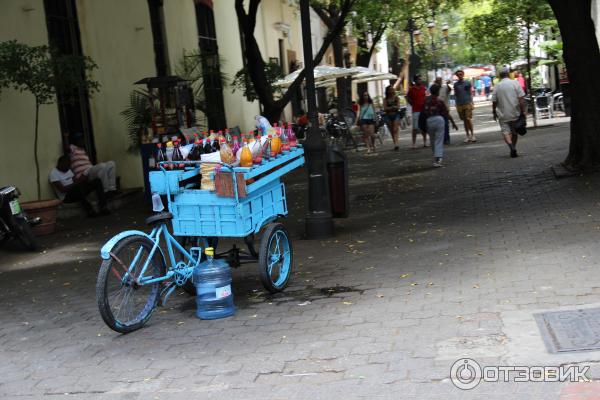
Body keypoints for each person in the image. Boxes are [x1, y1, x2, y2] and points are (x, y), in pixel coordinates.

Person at [64, 132, 118, 196]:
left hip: (90, 171)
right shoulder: (73, 147)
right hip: (82, 174)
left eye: (82, 139)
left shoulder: (83, 150)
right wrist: (66, 137)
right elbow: (67, 148)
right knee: (102, 166)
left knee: (111, 163)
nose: (82, 141)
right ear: (76, 141)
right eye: (80, 139)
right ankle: (105, 191)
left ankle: (112, 189)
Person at [492, 69, 526, 158]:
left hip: (503, 113)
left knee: (505, 132)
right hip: (515, 111)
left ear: (500, 76)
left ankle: (511, 147)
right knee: (514, 132)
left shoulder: (497, 86)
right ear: (508, 75)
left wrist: (494, 112)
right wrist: (523, 111)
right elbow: (521, 99)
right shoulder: (515, 83)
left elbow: (494, 101)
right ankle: (513, 147)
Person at [423, 85, 459, 167]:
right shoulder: (440, 101)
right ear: (438, 92)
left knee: (432, 140)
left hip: (429, 120)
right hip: (439, 120)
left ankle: (435, 158)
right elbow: (446, 113)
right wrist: (453, 123)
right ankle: (438, 159)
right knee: (439, 140)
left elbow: (423, 112)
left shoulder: (426, 100)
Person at [453, 70, 477, 143]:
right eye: (458, 74)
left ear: (463, 75)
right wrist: (456, 104)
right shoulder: (456, 84)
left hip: (467, 103)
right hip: (460, 104)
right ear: (457, 76)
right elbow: (456, 94)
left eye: (461, 74)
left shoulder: (467, 82)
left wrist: (472, 102)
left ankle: (473, 135)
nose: (459, 75)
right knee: (464, 120)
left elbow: (470, 93)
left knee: (468, 118)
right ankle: (467, 136)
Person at [406, 74, 428, 148]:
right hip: (415, 110)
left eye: (420, 79)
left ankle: (425, 142)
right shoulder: (412, 89)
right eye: (419, 79)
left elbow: (426, 96)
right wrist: (411, 103)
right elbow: (407, 97)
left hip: (423, 110)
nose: (420, 80)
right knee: (415, 128)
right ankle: (414, 143)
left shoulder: (423, 88)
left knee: (423, 127)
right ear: (415, 80)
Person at [434, 77, 452, 144]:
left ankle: (447, 139)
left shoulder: (445, 87)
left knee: (446, 124)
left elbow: (449, 90)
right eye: (438, 80)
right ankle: (441, 139)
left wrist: (448, 84)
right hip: (437, 109)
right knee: (438, 125)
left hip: (445, 109)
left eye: (440, 80)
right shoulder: (435, 88)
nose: (439, 82)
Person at [383, 86, 401, 151]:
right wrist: (392, 107)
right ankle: (395, 143)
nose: (392, 91)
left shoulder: (396, 98)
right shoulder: (385, 99)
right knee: (392, 131)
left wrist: (391, 108)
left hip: (396, 115)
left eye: (392, 89)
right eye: (390, 89)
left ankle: (396, 144)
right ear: (387, 91)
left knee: (395, 129)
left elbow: (398, 107)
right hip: (388, 116)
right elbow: (385, 108)